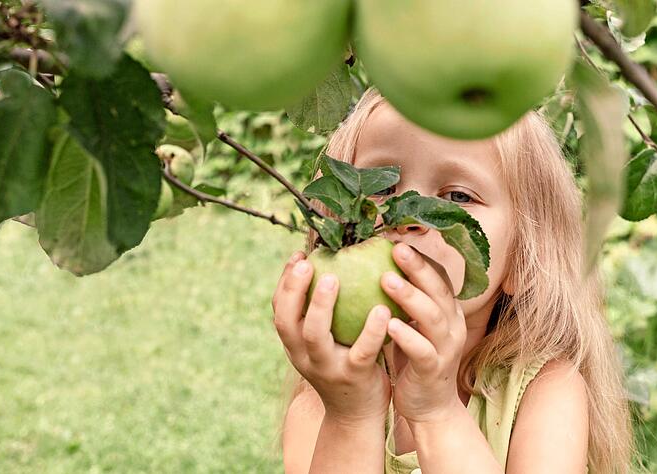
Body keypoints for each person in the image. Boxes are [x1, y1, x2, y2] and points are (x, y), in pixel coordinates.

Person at [271, 87, 637, 473]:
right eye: (380, 187)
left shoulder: (547, 393)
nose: (408, 215)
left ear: (522, 260)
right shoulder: (324, 402)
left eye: (459, 196)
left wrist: (437, 412)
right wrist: (352, 415)